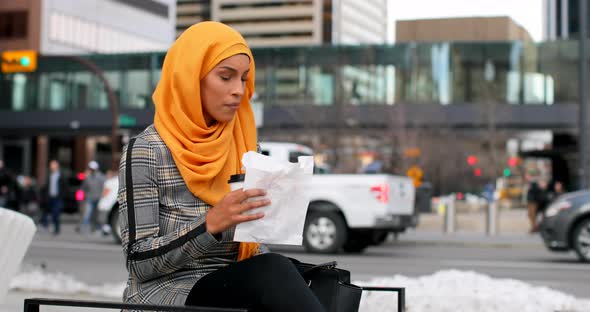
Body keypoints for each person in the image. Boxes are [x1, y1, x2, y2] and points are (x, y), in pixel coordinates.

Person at [117, 21, 325, 311]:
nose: (239, 90)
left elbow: (253, 245)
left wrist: (275, 217)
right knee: (273, 273)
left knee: (317, 279)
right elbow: (138, 262)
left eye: (244, 78)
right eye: (225, 77)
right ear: (191, 77)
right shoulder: (147, 150)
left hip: (235, 283)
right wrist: (211, 226)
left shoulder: (244, 144)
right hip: (170, 290)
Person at [40, 159, 66, 235]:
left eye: (53, 165)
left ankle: (56, 228)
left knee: (56, 213)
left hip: (57, 198)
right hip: (50, 197)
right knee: (45, 212)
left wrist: (62, 196)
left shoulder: (61, 176)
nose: (51, 166)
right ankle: (45, 225)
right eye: (51, 165)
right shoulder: (50, 175)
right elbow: (46, 186)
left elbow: (65, 187)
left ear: (57, 166)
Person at [79, 160, 106, 234]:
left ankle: (98, 228)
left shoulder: (101, 177)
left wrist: (103, 196)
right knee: (87, 213)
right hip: (89, 198)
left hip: (99, 198)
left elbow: (105, 187)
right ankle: (84, 227)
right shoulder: (87, 177)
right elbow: (83, 188)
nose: (92, 170)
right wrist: (82, 197)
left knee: (97, 215)